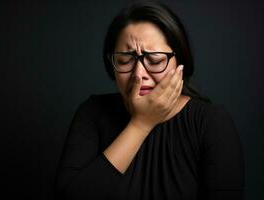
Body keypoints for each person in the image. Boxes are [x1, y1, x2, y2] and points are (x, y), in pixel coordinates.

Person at [54, 2, 244, 200]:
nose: (139, 74)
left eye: (154, 60)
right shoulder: (93, 112)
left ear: (180, 62)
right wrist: (140, 124)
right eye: (125, 60)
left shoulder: (210, 122)